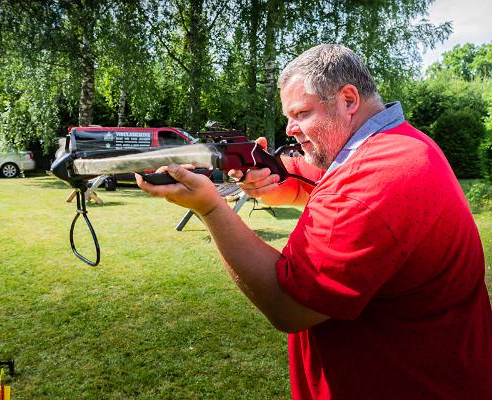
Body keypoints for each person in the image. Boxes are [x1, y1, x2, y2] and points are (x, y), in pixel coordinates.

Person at [136, 44, 492, 399]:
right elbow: (312, 179)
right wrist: (264, 179)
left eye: (302, 113)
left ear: (348, 100)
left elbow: (289, 306)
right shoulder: (398, 146)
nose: (290, 129)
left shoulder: (371, 181)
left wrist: (211, 208)